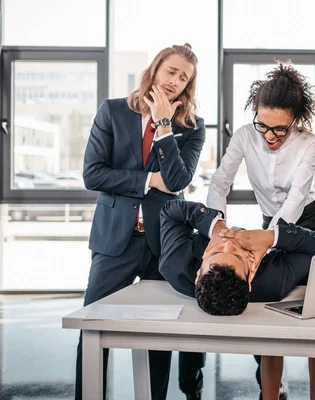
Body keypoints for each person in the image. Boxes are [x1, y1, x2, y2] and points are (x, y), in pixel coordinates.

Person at [77, 44, 206, 400]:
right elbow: (93, 173)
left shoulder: (191, 127)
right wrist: (148, 181)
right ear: (155, 69)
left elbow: (178, 181)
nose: (175, 81)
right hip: (114, 241)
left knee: (158, 335)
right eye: (171, 71)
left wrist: (164, 125)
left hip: (163, 243)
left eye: (184, 78)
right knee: (92, 328)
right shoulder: (113, 112)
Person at [206, 62, 315, 398]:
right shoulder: (246, 136)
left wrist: (268, 241)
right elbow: (220, 183)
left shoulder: (310, 142)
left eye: (281, 129)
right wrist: (216, 228)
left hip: (307, 226)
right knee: (266, 317)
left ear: (297, 121)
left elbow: (293, 201)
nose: (270, 137)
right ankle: (271, 393)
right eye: (263, 126)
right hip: (268, 224)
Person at [158, 199, 315, 400]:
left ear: (198, 274)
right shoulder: (273, 280)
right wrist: (271, 236)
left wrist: (215, 227)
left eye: (217, 252)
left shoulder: (174, 262)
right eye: (237, 256)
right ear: (249, 281)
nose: (229, 244)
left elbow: (170, 210)